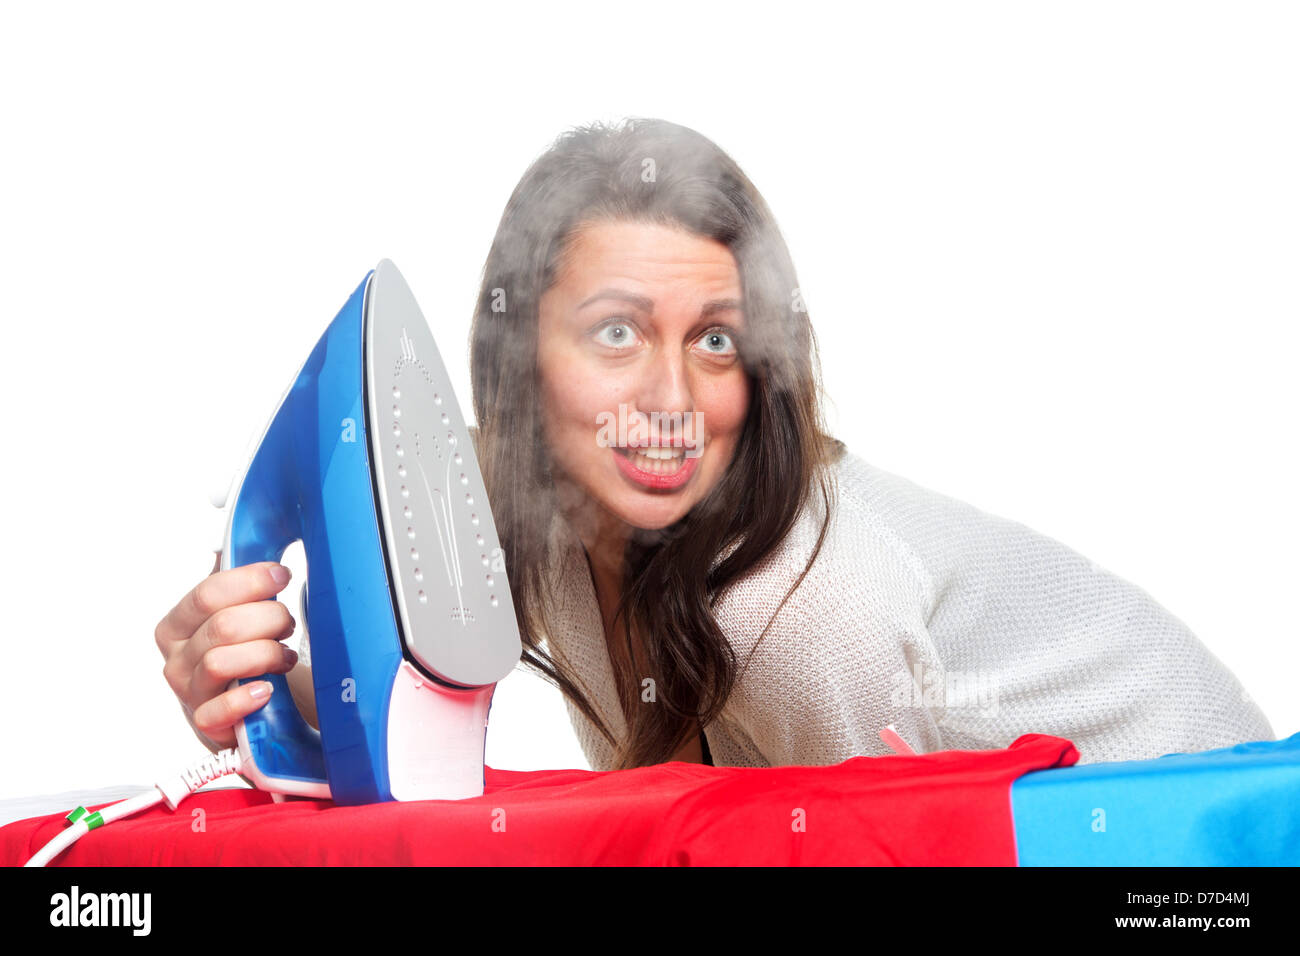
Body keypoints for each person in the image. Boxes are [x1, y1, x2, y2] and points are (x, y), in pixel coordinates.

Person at [156, 117, 1273, 771]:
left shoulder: (801, 606)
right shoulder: (521, 496)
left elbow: (886, 855)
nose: (672, 400)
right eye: (613, 332)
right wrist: (265, 675)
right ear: (516, 357)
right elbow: (402, 725)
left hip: (1183, 837)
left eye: (717, 340)